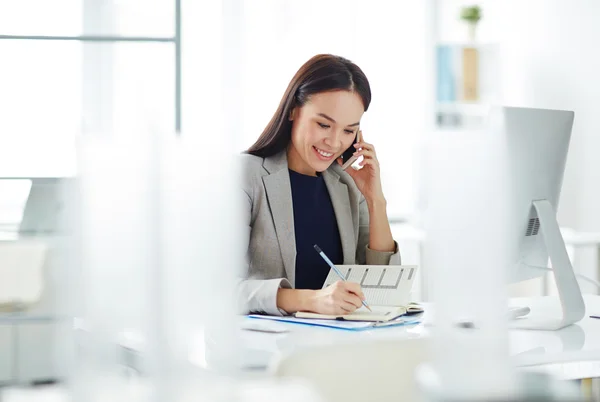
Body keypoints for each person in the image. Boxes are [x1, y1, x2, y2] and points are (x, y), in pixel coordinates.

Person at [239, 54, 400, 316]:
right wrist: (311, 300)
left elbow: (387, 292)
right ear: (293, 109)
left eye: (349, 131)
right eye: (324, 124)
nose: (335, 142)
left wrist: (375, 200)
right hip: (265, 350)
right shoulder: (247, 175)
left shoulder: (347, 184)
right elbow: (219, 290)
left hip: (334, 348)